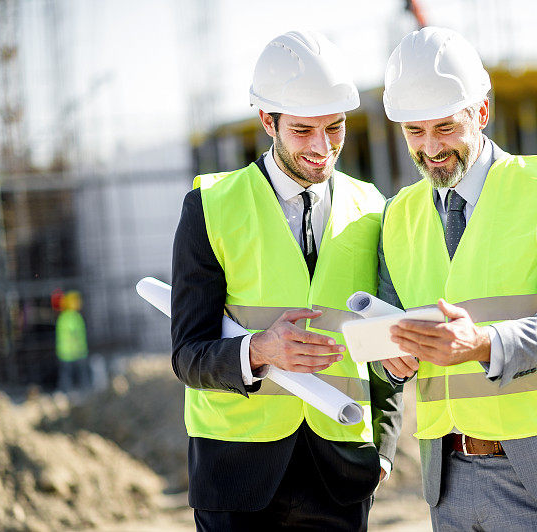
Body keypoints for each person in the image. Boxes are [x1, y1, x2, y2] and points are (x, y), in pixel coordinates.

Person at [375, 27, 537, 530]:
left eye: (444, 128)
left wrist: (484, 344)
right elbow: (388, 337)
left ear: (481, 113)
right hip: (448, 481)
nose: (430, 149)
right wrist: (393, 359)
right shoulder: (398, 215)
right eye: (414, 133)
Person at [171, 30, 403, 531]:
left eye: (335, 128)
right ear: (266, 121)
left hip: (340, 471)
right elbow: (187, 354)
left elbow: (387, 341)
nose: (323, 149)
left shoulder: (374, 209)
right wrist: (257, 351)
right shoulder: (211, 206)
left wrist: (382, 445)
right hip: (234, 472)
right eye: (302, 131)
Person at [56, 290, 90, 392]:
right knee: (72, 375)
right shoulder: (70, 317)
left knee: (71, 374)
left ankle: (69, 393)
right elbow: (73, 335)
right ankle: (68, 393)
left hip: (69, 352)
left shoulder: (67, 317)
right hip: (72, 352)